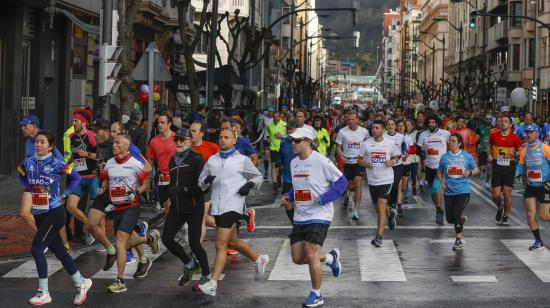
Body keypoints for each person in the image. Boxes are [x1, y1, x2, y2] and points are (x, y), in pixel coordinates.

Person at [18, 131, 92, 306]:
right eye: (37, 142)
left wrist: (65, 193)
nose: (38, 144)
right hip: (39, 213)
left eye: (43, 142)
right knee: (59, 251)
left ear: (50, 146)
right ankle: (81, 282)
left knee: (36, 248)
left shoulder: (58, 163)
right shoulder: (27, 163)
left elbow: (76, 178)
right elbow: (21, 174)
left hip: (55, 212)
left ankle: (43, 291)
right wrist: (29, 188)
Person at [197, 129, 268, 296]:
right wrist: (205, 182)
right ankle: (259, 259)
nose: (222, 140)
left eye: (226, 137)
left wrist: (248, 186)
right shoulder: (212, 160)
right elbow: (201, 182)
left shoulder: (242, 160)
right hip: (218, 208)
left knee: (220, 244)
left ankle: (213, 283)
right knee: (233, 243)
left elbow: (257, 177)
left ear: (234, 141)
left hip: (234, 206)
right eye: (220, 137)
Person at [280, 127, 346, 307]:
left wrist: (324, 198)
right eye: (292, 140)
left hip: (320, 215)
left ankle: (316, 294)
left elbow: (342, 182)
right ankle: (331, 258)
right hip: (300, 216)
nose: (293, 144)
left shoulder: (321, 161)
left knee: (311, 253)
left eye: (297, 140)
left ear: (308, 142)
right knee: (298, 258)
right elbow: (298, 186)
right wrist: (290, 197)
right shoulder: (294, 163)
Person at [95, 134, 160, 293]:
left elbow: (146, 183)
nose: (114, 145)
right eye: (114, 143)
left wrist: (137, 191)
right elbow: (105, 178)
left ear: (126, 146)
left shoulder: (135, 163)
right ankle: (149, 238)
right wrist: (103, 188)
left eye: (117, 143)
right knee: (126, 240)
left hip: (131, 206)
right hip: (116, 208)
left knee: (120, 241)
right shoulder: (110, 163)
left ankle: (120, 280)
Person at [88, 119, 152, 272]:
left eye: (116, 132)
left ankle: (142, 258)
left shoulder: (124, 146)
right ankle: (111, 250)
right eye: (112, 131)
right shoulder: (101, 146)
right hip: (107, 193)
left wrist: (134, 185)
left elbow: (147, 167)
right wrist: (103, 181)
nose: (112, 135)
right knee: (91, 223)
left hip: (123, 196)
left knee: (125, 235)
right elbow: (105, 170)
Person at [161, 128, 211, 287]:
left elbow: (204, 188)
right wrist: (165, 196)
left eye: (182, 140)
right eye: (176, 140)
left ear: (190, 141)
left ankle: (207, 275)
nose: (179, 143)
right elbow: (171, 184)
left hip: (194, 207)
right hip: (177, 208)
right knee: (166, 239)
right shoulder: (172, 160)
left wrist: (182, 190)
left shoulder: (197, 159)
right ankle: (190, 264)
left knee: (194, 244)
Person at [357, 120, 400, 247]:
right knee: (379, 209)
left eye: (376, 128)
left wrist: (393, 161)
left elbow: (397, 156)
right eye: (372, 128)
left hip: (386, 179)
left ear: (383, 130)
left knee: (381, 208)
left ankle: (379, 236)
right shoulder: (366, 144)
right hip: (372, 180)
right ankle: (390, 214)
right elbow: (359, 159)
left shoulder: (390, 143)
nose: (373, 130)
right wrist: (364, 163)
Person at [437, 134, 480, 251]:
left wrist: (469, 173)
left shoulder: (466, 156)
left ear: (459, 143)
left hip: (463, 191)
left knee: (456, 214)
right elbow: (439, 171)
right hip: (449, 191)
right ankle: (460, 220)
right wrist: (442, 182)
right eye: (449, 141)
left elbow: (477, 169)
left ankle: (458, 240)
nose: (450, 143)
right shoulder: (444, 157)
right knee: (450, 219)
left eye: (453, 141)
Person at [515, 124, 550, 250]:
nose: (527, 135)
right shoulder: (525, 150)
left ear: (537, 134)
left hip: (545, 186)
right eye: (527, 132)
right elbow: (521, 165)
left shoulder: (545, 148)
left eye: (530, 132)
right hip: (531, 186)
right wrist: (517, 175)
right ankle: (538, 241)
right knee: (530, 214)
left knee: (544, 216)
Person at [66, 108, 97, 245]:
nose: (74, 123)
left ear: (83, 123)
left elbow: (101, 156)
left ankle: (93, 232)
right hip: (78, 177)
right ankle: (83, 231)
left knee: (96, 207)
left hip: (92, 177)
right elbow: (74, 155)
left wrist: (88, 155)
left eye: (76, 121)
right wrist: (64, 167)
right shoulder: (72, 137)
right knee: (73, 206)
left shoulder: (91, 136)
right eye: (73, 120)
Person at [488, 115, 523, 225]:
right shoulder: (494, 135)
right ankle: (500, 207)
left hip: (509, 168)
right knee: (495, 195)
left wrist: (515, 153)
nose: (502, 123)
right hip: (497, 168)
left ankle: (506, 215)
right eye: (501, 121)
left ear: (510, 125)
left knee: (507, 193)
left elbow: (520, 151)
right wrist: (489, 154)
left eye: (505, 121)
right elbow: (489, 145)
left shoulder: (515, 138)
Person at [336, 110, 370, 220]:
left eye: (353, 119)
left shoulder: (364, 132)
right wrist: (341, 156)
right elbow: (338, 147)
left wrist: (367, 158)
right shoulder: (342, 132)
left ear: (357, 120)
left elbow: (369, 144)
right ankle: (348, 193)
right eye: (349, 119)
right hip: (348, 162)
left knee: (358, 183)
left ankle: (355, 210)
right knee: (350, 185)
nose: (350, 121)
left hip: (358, 162)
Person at [417, 115, 450, 225]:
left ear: (437, 123)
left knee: (436, 187)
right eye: (429, 122)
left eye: (433, 122)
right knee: (433, 190)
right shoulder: (423, 135)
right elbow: (418, 150)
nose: (431, 124)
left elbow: (453, 145)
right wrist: (421, 151)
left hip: (441, 166)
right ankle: (438, 208)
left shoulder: (445, 133)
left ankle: (439, 211)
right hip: (429, 166)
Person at [148, 111, 177, 212]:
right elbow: (150, 160)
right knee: (166, 207)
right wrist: (145, 178)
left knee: (177, 203)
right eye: (158, 122)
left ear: (169, 124)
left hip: (176, 175)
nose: (159, 124)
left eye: (163, 122)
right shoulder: (153, 141)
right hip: (162, 176)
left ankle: (182, 224)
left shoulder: (177, 138)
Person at [384, 118, 414, 214]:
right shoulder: (383, 136)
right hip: (386, 165)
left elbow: (411, 149)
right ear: (386, 126)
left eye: (392, 124)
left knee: (396, 185)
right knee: (388, 185)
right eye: (388, 124)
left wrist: (406, 151)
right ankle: (390, 202)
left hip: (398, 164)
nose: (391, 126)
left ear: (395, 126)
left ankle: (394, 203)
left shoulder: (402, 137)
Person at [265, 111, 287, 190]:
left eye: (277, 117)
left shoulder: (285, 125)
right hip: (273, 148)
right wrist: (268, 138)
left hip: (282, 148)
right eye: (274, 117)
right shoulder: (269, 125)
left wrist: (282, 137)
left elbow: (289, 136)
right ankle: (274, 182)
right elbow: (267, 134)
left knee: (281, 167)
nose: (276, 119)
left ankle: (278, 177)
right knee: (274, 165)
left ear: (280, 117)